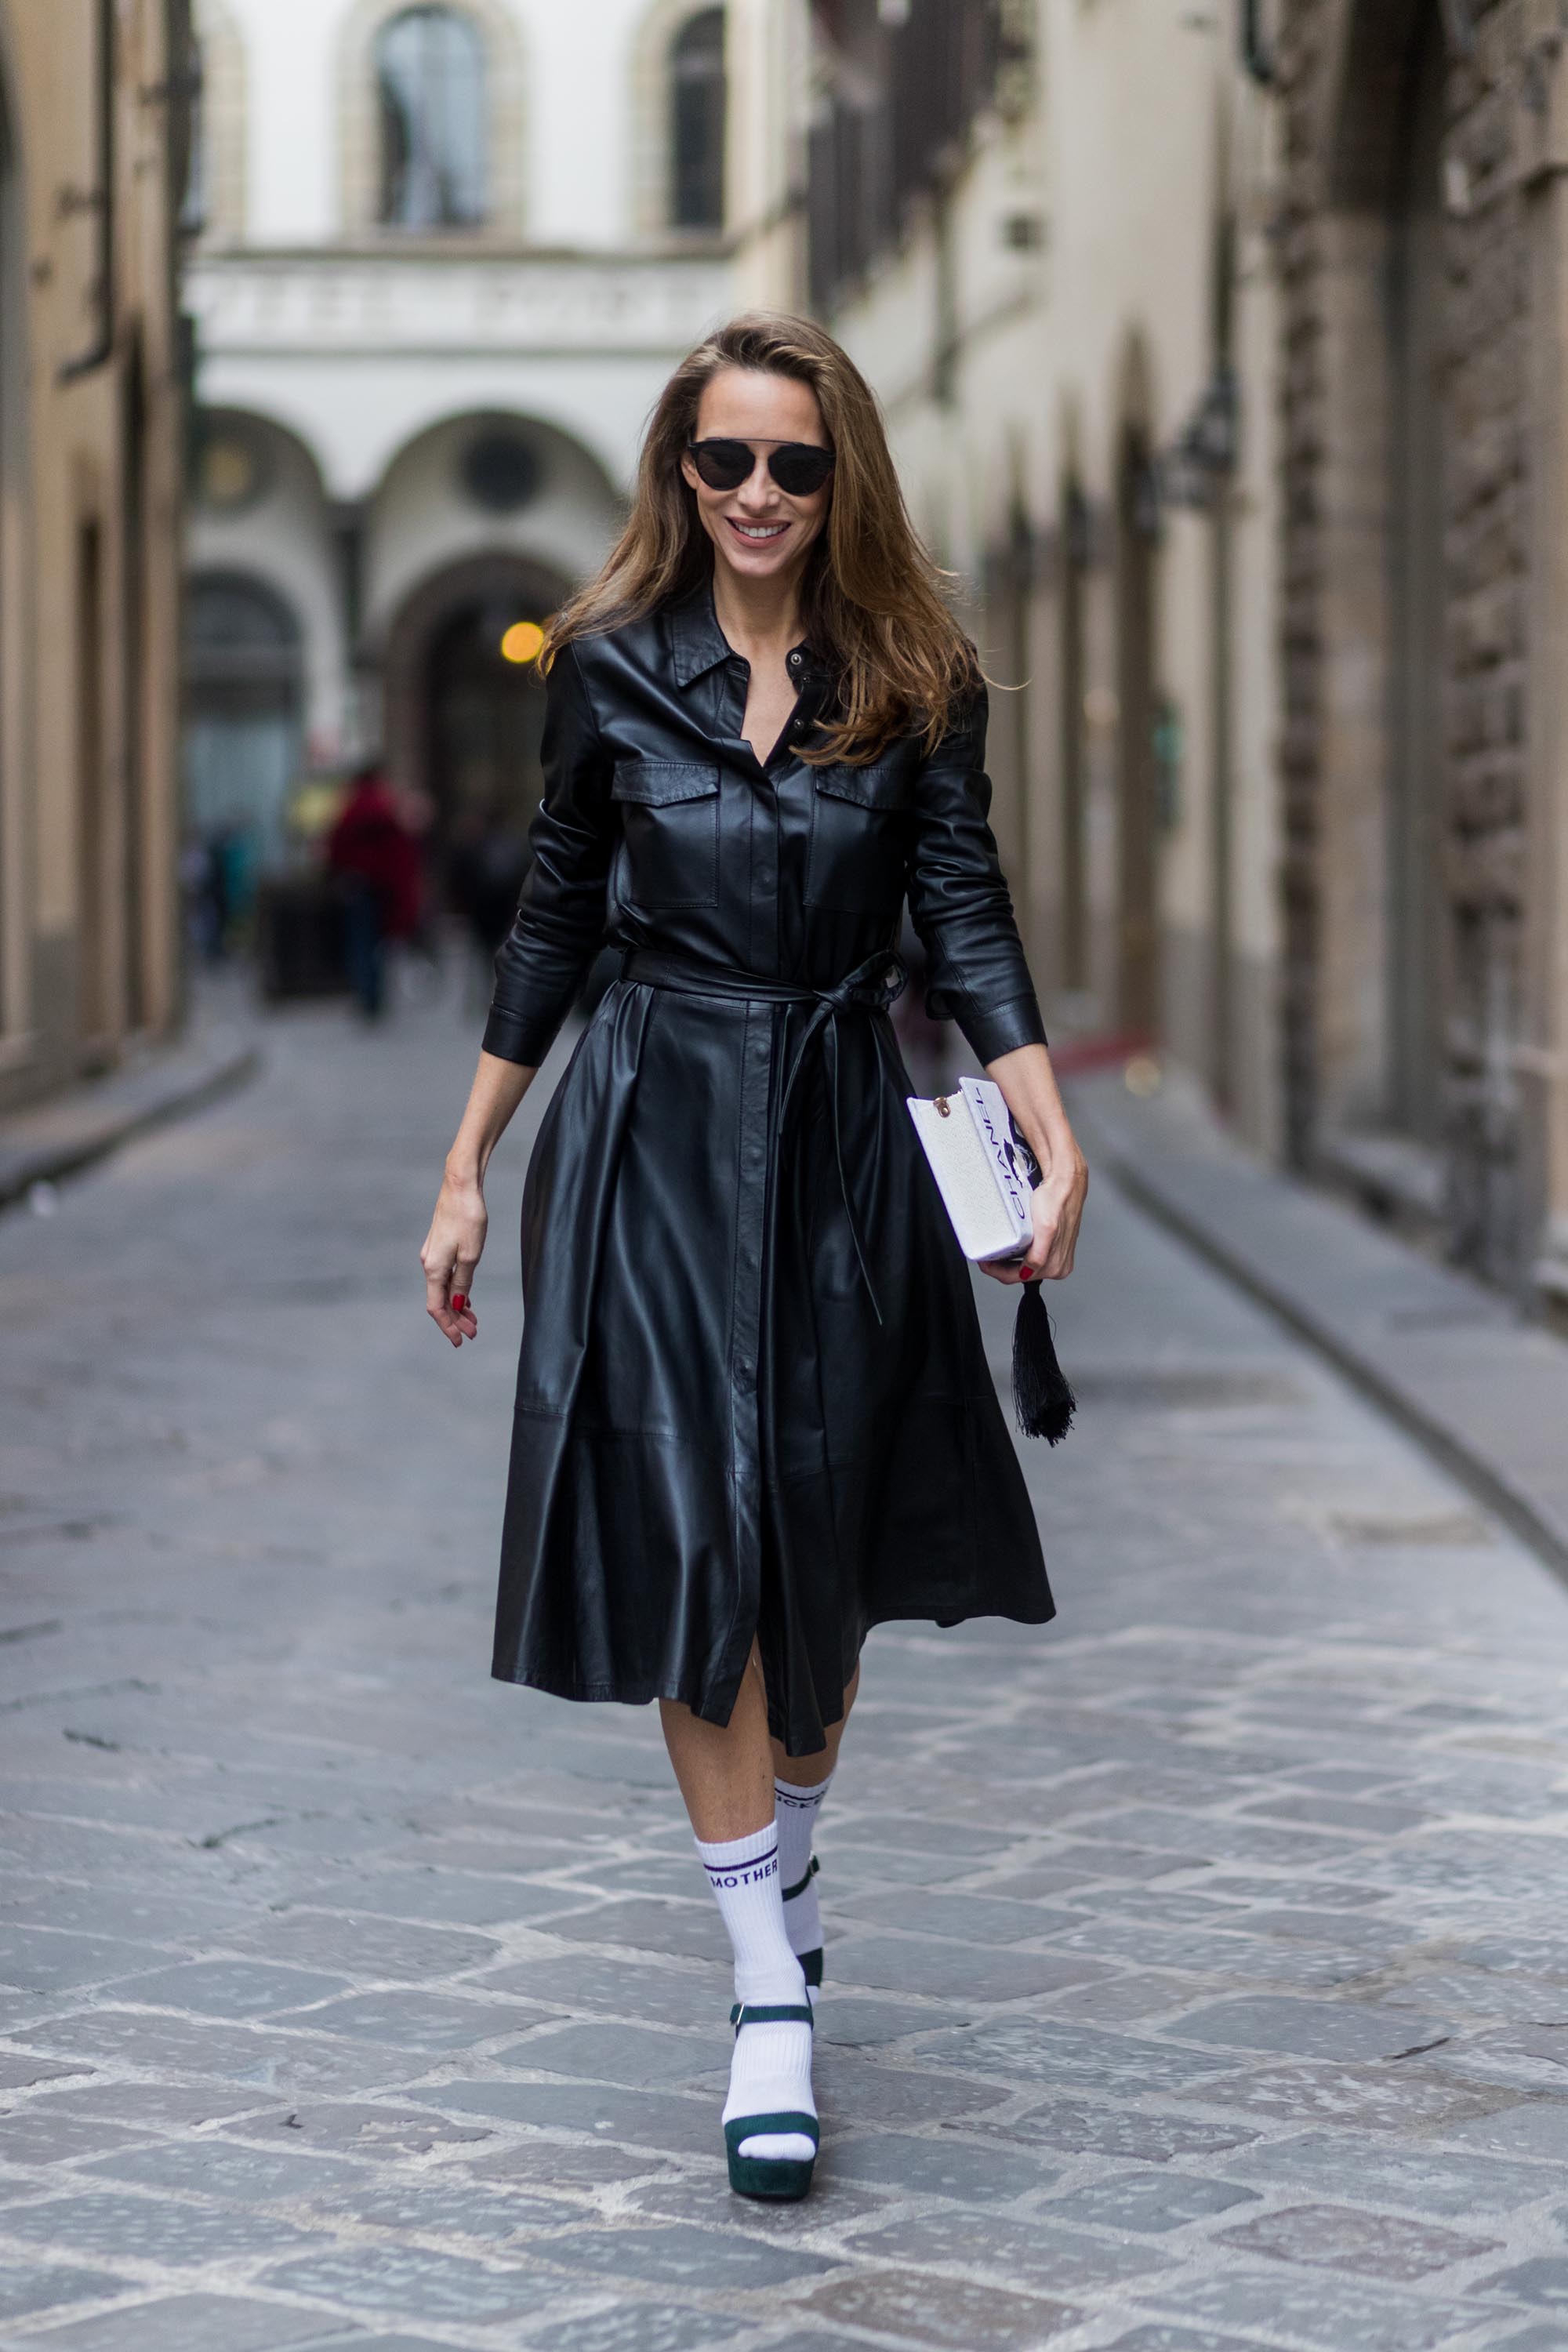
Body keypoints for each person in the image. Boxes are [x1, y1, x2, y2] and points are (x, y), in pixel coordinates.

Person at [419, 314, 1088, 2202]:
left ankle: (780, 1874)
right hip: (644, 1129)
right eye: (724, 461)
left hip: (836, 1129)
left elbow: (961, 908)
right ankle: (761, 1995)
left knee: (823, 1546)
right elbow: (555, 915)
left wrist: (1047, 1112)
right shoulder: (610, 667)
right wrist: (468, 1160)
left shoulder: (921, 676)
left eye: (793, 462)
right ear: (677, 472)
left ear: (839, 473)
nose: (758, 495)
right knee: (696, 1531)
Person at [326, 763, 423, 1018]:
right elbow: (401, 853)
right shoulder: (385, 807)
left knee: (362, 942)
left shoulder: (353, 808)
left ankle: (368, 997)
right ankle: (375, 997)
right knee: (377, 945)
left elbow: (336, 846)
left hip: (359, 885)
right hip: (383, 887)